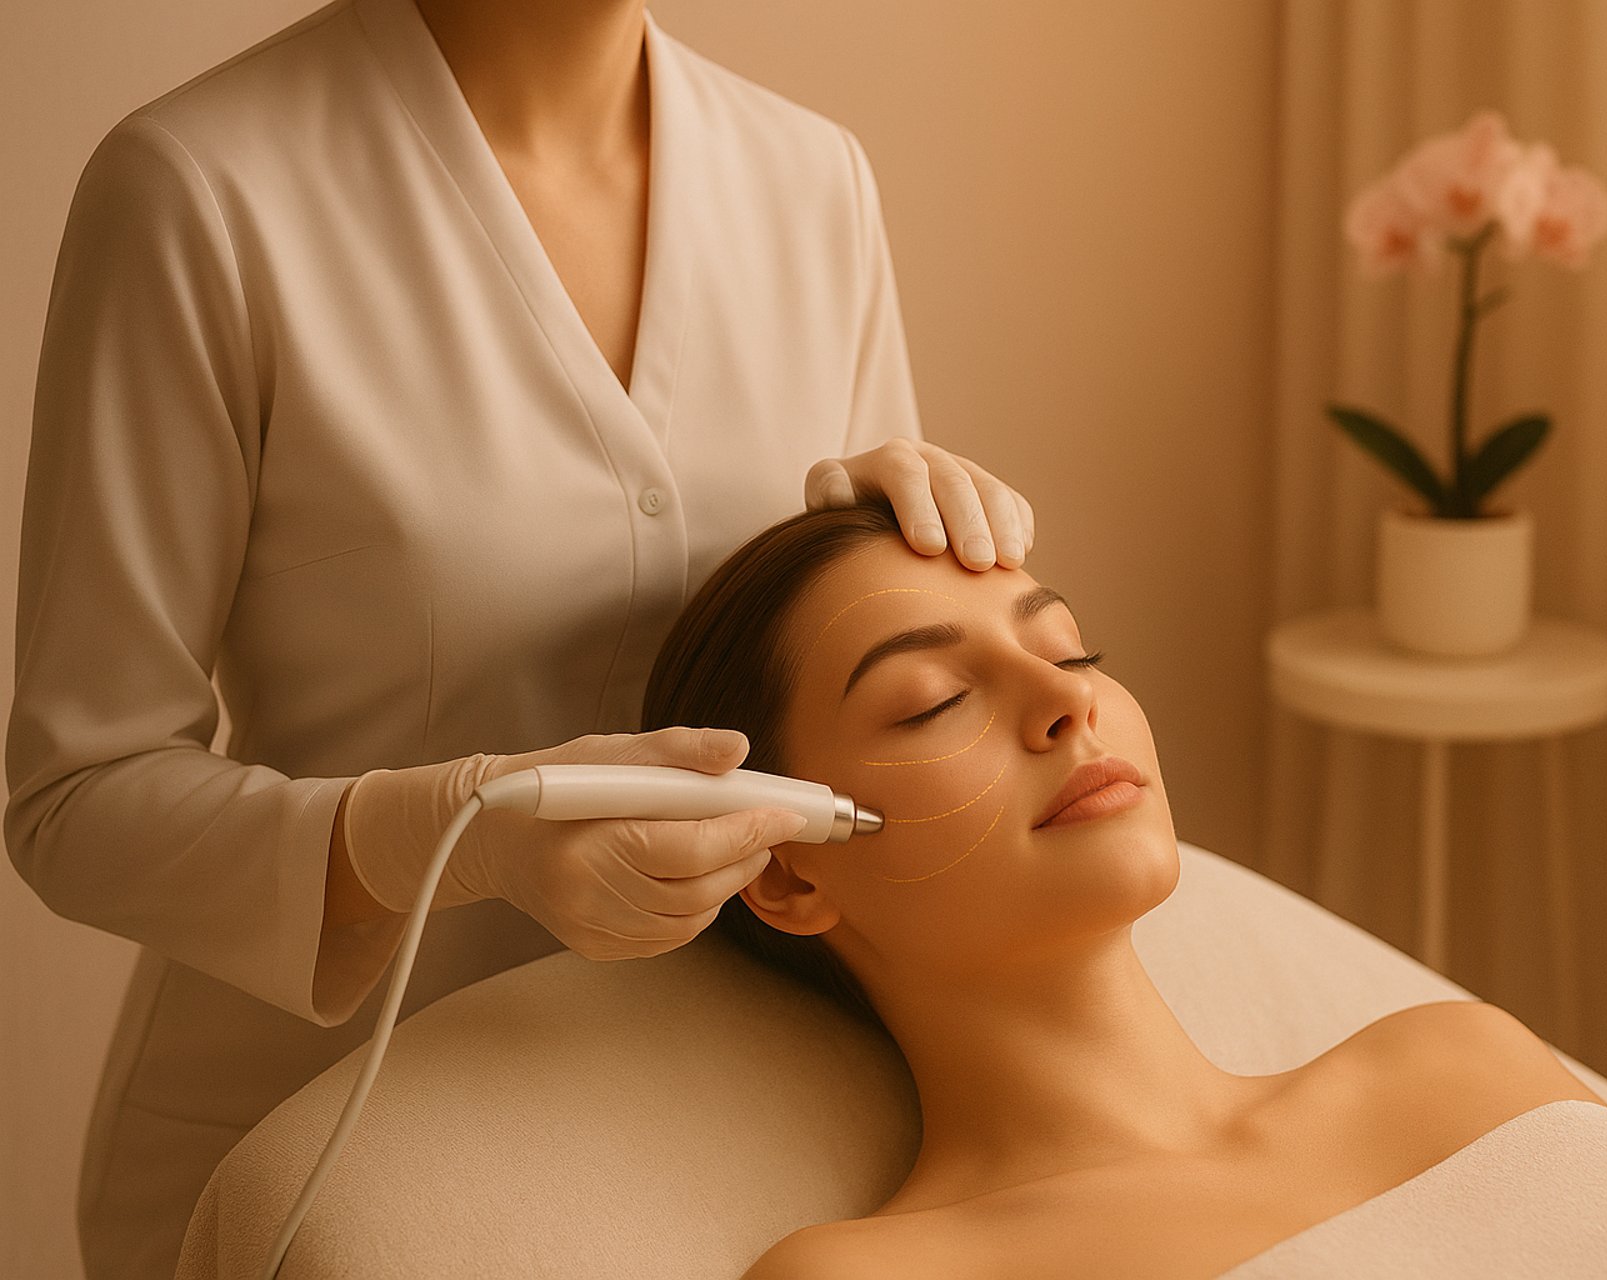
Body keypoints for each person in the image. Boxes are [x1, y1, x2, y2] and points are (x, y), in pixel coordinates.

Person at [3, 0, 1034, 1274]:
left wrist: (882, 555)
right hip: (302, 1167)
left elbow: (848, 734)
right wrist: (450, 831)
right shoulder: (200, 189)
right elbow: (76, 799)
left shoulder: (812, 180)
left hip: (713, 1155)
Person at [638, 498, 1607, 1279]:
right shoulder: (876, 1275)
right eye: (933, 701)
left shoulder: (1457, 1064)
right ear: (792, 867)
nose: (1069, 700)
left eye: (1070, 650)